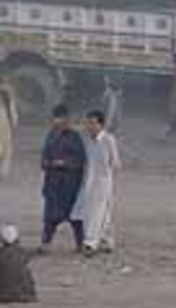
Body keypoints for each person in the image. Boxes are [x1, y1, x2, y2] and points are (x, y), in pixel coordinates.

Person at [71, 110, 121, 256]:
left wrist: (109, 176)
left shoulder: (108, 140)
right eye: (88, 123)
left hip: (103, 182)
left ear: (101, 124)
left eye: (92, 123)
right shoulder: (88, 141)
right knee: (99, 213)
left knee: (97, 213)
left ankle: (90, 243)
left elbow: (116, 163)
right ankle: (107, 241)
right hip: (89, 182)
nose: (89, 126)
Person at [40, 104, 86, 253]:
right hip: (52, 183)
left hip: (69, 184)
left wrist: (63, 163)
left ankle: (80, 244)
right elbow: (45, 155)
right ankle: (45, 244)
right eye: (55, 118)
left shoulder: (75, 136)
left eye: (60, 118)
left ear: (67, 118)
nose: (57, 121)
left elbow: (80, 160)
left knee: (75, 216)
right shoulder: (51, 134)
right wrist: (45, 162)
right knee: (49, 216)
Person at [0, 225, 37, 303]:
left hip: (2, 295)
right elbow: (34, 253)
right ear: (18, 238)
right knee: (27, 270)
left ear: (2, 240)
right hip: (24, 295)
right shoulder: (23, 252)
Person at [0, 79, 17, 180]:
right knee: (6, 149)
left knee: (5, 149)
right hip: (6, 126)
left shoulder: (8, 102)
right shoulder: (8, 101)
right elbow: (14, 118)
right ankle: (3, 171)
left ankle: (3, 171)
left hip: (5, 126)